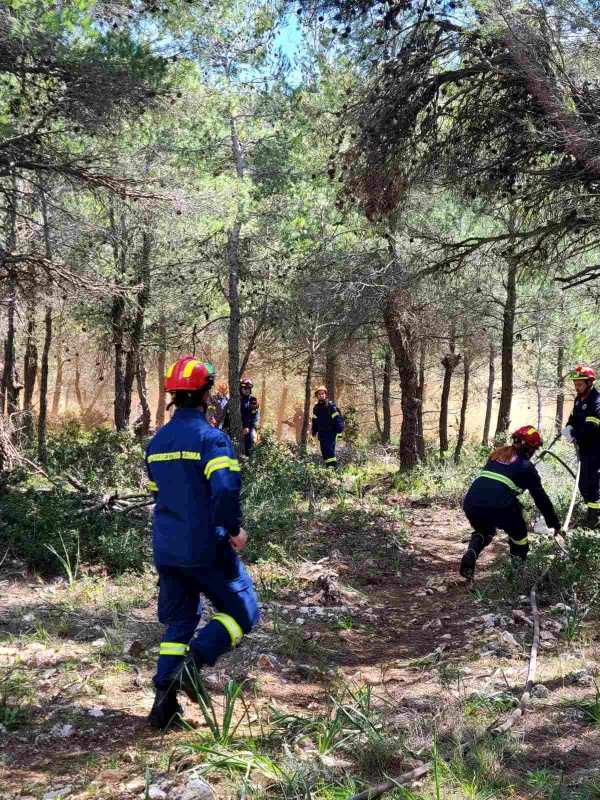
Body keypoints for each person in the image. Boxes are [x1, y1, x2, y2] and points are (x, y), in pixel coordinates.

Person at [145, 356, 259, 730]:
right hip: (206, 549)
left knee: (178, 622)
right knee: (244, 612)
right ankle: (193, 666)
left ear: (174, 396)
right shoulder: (212, 438)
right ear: (205, 395)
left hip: (167, 549)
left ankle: (163, 703)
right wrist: (233, 528)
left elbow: (157, 492)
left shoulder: (156, 442)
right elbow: (224, 488)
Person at [459, 425, 562, 580]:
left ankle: (471, 552)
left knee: (484, 530)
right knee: (519, 537)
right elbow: (541, 499)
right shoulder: (527, 467)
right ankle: (517, 575)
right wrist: (554, 523)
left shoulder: (496, 454)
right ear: (531, 449)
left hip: (472, 502)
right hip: (500, 505)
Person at [562, 365, 600, 527]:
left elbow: (593, 425)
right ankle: (591, 511)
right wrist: (567, 428)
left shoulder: (596, 400)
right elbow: (573, 417)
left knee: (592, 479)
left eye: (580, 384)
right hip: (584, 446)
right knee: (583, 481)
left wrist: (576, 435)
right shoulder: (579, 399)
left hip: (595, 448)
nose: (577, 388)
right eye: (575, 384)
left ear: (589, 382)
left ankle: (595, 517)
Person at [311, 385, 344, 468]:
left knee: (329, 452)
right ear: (317, 396)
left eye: (323, 394)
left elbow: (338, 419)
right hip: (322, 433)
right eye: (319, 394)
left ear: (325, 394)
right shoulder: (316, 407)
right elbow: (315, 421)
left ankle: (334, 471)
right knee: (324, 452)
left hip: (331, 432)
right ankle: (328, 470)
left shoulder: (330, 406)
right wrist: (313, 433)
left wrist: (339, 432)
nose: (321, 395)